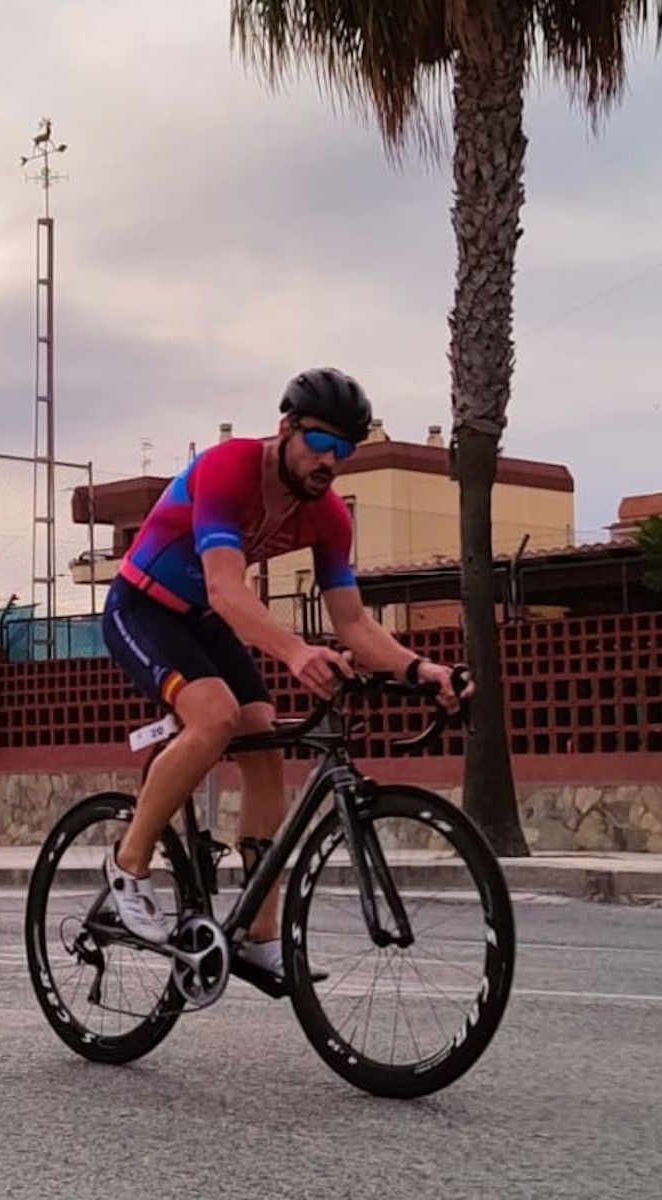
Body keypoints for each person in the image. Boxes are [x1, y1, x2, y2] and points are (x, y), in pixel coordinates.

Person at [99, 367, 468, 979]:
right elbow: (224, 585)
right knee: (214, 717)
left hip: (205, 617)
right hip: (142, 607)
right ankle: (128, 865)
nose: (332, 461)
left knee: (264, 748)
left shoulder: (328, 518)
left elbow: (351, 622)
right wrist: (296, 652)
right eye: (321, 443)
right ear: (285, 429)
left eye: (345, 451)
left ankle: (258, 934)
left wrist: (421, 668)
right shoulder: (228, 469)